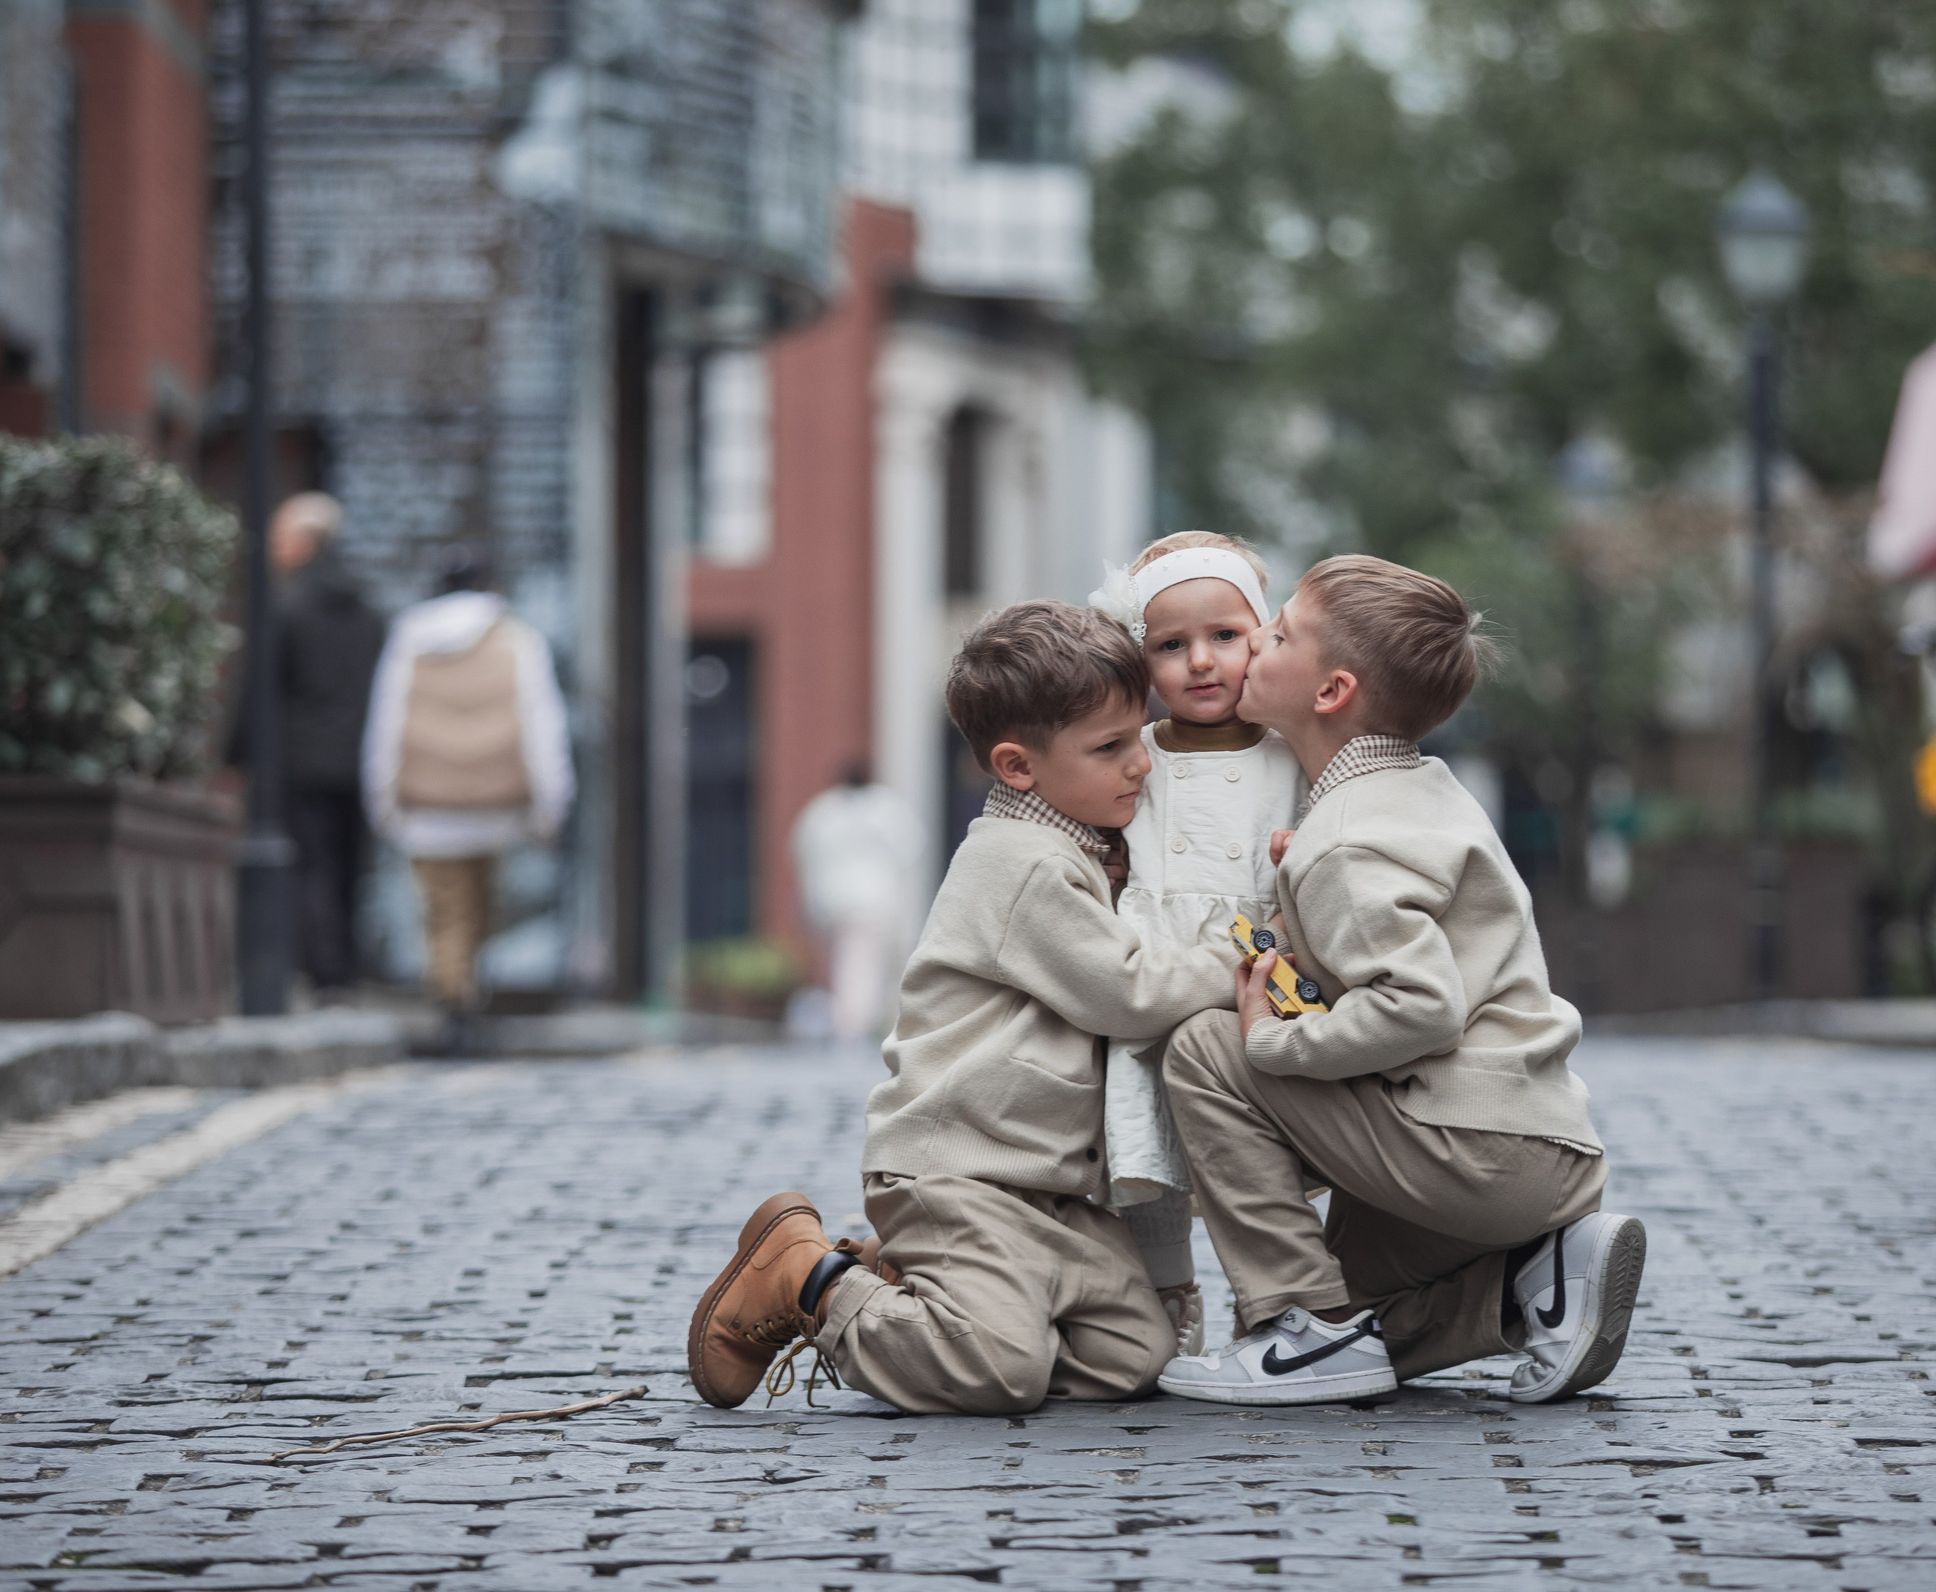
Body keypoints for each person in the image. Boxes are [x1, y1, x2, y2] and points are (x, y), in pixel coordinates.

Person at [685, 601, 1239, 1414]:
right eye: (1111, 747)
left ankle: (904, 1282)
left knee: (1135, 1354)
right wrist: (1244, 962)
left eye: (1140, 736)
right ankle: (810, 1279)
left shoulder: (1079, 846)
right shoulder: (1023, 864)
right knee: (1002, 1371)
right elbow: (1129, 991)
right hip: (959, 1170)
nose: (1140, 765)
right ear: (1017, 766)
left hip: (1045, 1188)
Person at [1158, 555, 1642, 1408]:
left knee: (1205, 1045)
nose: (1256, 640)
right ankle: (1533, 1285)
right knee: (1364, 1313)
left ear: (1331, 690)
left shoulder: (1344, 838)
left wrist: (1274, 1040)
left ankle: (1302, 1326)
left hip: (1475, 1148)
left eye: (1281, 634)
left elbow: (1422, 1005)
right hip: (1536, 1144)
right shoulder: (1416, 790)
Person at [1085, 531, 1308, 1357]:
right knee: (1145, 1133)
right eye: (1171, 645)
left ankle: (1270, 1292)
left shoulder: (1290, 754)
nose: (1202, 661)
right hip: (1155, 962)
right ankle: (1167, 1290)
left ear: (1263, 634)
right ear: (1140, 660)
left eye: (1225, 635)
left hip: (1260, 965)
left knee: (1259, 1145)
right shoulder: (1135, 754)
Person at [362, 547, 572, 1031]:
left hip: (426, 809)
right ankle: (463, 998)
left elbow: (386, 723)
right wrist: (551, 805)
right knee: (481, 909)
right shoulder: (517, 639)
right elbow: (543, 726)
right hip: (497, 808)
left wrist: (382, 800)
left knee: (445, 913)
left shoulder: (410, 638)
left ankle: (453, 1001)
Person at [268, 493, 385, 1000]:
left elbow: (262, 689)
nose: (273, 547)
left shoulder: (288, 606)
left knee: (311, 865)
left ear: (306, 542)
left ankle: (324, 972)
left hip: (303, 761)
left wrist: (236, 756)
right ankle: (346, 971)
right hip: (360, 759)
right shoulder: (369, 610)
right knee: (349, 867)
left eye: (280, 536)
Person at [790, 762, 920, 1042]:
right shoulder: (884, 807)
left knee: (850, 963)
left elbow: (805, 855)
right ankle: (853, 1028)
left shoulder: (823, 811)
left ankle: (859, 1023)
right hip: (873, 901)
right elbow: (908, 852)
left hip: (835, 901)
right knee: (860, 964)